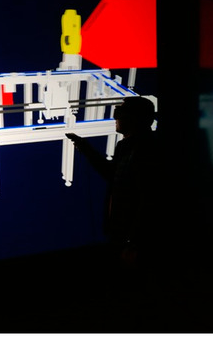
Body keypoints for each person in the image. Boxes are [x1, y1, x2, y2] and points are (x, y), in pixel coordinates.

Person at [66, 96, 159, 271]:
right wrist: (84, 146)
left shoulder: (148, 149)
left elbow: (148, 198)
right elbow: (113, 175)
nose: (115, 118)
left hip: (133, 240)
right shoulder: (126, 146)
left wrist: (133, 241)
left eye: (119, 113)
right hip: (122, 234)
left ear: (134, 118)